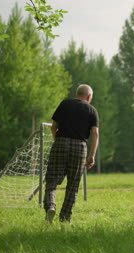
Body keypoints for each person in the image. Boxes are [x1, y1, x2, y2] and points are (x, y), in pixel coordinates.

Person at [43, 84, 99, 224]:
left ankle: (50, 206)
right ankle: (65, 218)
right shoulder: (92, 110)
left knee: (52, 180)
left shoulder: (65, 104)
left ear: (77, 93)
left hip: (61, 142)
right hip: (80, 147)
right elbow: (95, 134)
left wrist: (58, 140)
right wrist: (92, 155)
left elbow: (54, 126)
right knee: (73, 186)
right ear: (89, 97)